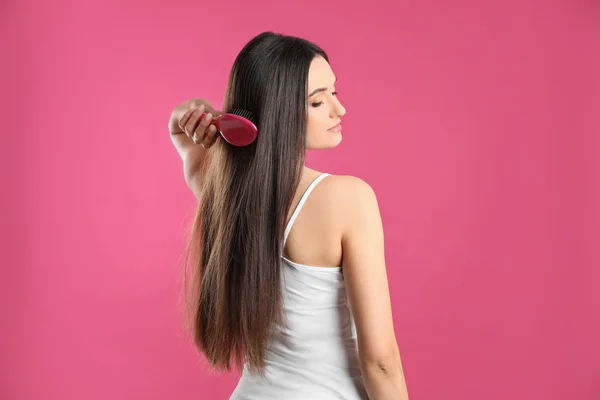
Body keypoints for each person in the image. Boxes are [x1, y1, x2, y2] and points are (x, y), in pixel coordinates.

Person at [168, 31, 409, 400]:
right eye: (317, 101)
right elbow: (380, 362)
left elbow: (180, 131)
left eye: (335, 92)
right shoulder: (347, 198)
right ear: (279, 111)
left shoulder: (226, 195)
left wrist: (202, 114)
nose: (338, 109)